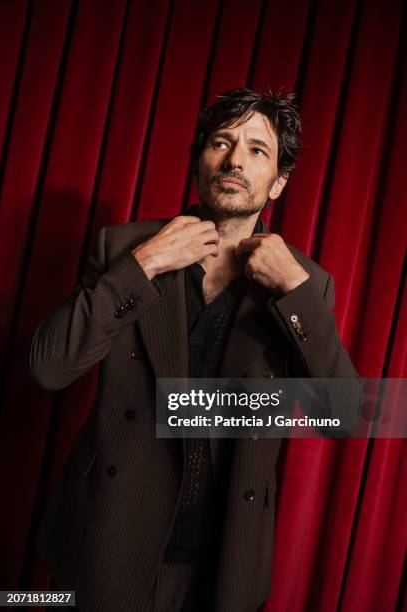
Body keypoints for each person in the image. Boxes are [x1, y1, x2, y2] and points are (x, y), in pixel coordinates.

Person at [29, 88, 359, 612]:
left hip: (224, 558)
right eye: (222, 142)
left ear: (278, 181)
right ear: (198, 160)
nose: (234, 159)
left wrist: (294, 292)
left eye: (257, 149)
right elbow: (48, 368)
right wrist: (141, 267)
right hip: (108, 538)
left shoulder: (305, 283)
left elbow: (343, 415)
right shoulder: (125, 247)